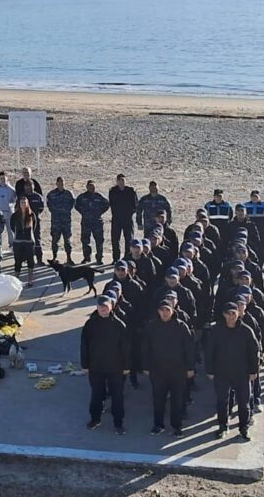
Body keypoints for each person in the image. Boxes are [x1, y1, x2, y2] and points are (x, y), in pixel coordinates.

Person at [205, 303, 260, 441]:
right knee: (222, 401)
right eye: (228, 313)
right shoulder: (217, 330)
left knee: (244, 402)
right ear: (224, 315)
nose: (231, 316)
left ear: (238, 314)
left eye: (234, 313)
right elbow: (209, 352)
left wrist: (254, 370)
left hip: (242, 373)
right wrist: (210, 370)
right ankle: (223, 426)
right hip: (221, 372)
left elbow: (254, 352)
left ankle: (244, 428)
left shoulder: (246, 331)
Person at [142, 299, 195, 437]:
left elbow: (189, 348)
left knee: (177, 400)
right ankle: (158, 425)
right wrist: (146, 366)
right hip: (157, 370)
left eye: (167, 310)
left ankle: (176, 426)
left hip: (177, 370)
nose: (165, 313)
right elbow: (145, 348)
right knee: (158, 399)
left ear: (173, 310)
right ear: (158, 311)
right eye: (162, 310)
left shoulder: (181, 326)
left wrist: (190, 368)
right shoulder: (151, 326)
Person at [81, 295, 130, 435]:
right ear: (97, 307)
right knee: (96, 394)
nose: (103, 309)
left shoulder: (119, 325)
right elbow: (84, 345)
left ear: (111, 307)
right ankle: (95, 419)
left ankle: (118, 423)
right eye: (101, 306)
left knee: (117, 396)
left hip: (115, 367)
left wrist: (126, 366)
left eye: (106, 306)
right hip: (96, 367)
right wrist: (85, 364)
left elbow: (125, 347)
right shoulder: (90, 324)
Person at [74, 180, 110, 265]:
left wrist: (99, 212)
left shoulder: (99, 196)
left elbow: (107, 205)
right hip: (86, 222)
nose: (91, 188)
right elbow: (76, 205)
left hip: (97, 222)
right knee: (85, 241)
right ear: (87, 187)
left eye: (93, 186)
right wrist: (83, 212)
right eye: (90, 186)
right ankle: (86, 257)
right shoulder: (82, 197)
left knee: (99, 241)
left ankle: (99, 258)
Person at [108, 174, 137, 262]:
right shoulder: (113, 191)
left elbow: (135, 204)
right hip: (116, 218)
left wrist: (129, 213)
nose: (121, 182)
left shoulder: (130, 191)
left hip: (127, 219)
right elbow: (111, 203)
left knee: (129, 239)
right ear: (117, 181)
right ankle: (116, 258)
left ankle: (127, 257)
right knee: (115, 239)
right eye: (119, 180)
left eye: (123, 180)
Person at [10, 196, 39, 286]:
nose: (23, 204)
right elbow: (12, 227)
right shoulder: (14, 215)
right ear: (19, 204)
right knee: (17, 261)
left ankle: (30, 280)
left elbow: (34, 227)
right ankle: (16, 280)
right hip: (18, 242)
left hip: (29, 242)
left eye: (25, 202)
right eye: (22, 202)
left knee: (30, 261)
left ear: (27, 204)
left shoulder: (31, 215)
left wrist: (28, 235)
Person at [46, 176, 75, 264]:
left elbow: (73, 203)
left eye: (63, 182)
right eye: (60, 182)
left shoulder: (69, 193)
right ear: (57, 183)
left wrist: (65, 211)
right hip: (56, 221)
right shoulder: (51, 194)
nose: (61, 184)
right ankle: (54, 257)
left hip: (66, 221)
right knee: (55, 240)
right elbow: (49, 204)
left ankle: (69, 258)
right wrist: (56, 212)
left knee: (67, 240)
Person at [0, 172, 17, 248]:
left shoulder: (12, 189)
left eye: (4, 178)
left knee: (10, 230)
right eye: (1, 178)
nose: (3, 180)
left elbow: (14, 200)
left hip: (9, 213)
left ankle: (12, 245)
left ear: (7, 178)